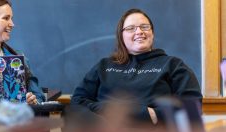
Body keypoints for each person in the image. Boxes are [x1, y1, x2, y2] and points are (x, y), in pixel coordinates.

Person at [71, 8, 202, 124]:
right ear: (121, 36)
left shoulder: (173, 65)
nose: (139, 32)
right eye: (131, 28)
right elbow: (77, 101)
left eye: (144, 27)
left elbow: (193, 106)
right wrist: (108, 110)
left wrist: (154, 115)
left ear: (152, 33)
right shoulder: (103, 66)